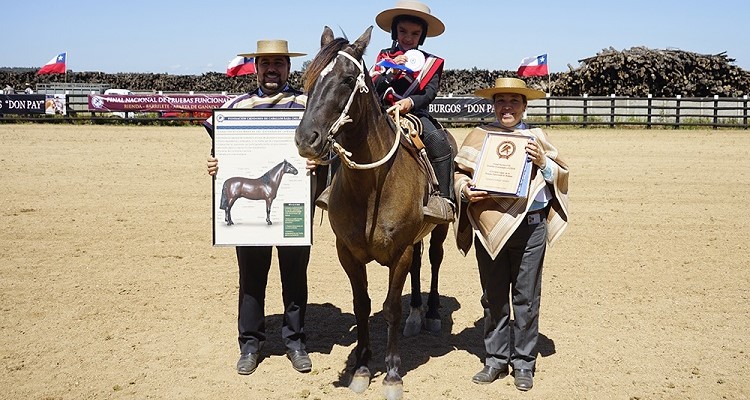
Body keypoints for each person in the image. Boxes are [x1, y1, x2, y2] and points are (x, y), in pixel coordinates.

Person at [204, 39, 321, 376]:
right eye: (266, 62)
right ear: (255, 67)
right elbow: (221, 151)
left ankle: (295, 341)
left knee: (295, 276)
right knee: (251, 277)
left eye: (279, 63)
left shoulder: (306, 105)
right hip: (249, 217)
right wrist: (215, 165)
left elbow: (325, 149)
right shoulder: (236, 108)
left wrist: (318, 163)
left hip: (296, 205)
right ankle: (251, 344)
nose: (272, 69)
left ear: (288, 67)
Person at [453, 78, 569, 391]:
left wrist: (543, 163)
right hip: (490, 226)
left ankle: (524, 363)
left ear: (524, 106)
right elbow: (459, 175)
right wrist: (464, 190)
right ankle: (494, 360)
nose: (507, 107)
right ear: (493, 105)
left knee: (526, 298)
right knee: (493, 297)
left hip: (530, 227)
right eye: (501, 101)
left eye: (514, 101)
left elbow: (561, 175)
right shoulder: (479, 136)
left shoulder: (536, 136)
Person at [369, 0, 455, 224]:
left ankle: (444, 200)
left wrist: (410, 102)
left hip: (415, 113)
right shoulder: (383, 57)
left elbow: (430, 93)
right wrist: (390, 69)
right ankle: (333, 189)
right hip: (383, 112)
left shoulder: (431, 63)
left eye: (415, 33)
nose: (408, 38)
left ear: (422, 36)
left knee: (439, 142)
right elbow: (374, 86)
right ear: (394, 32)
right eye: (403, 31)